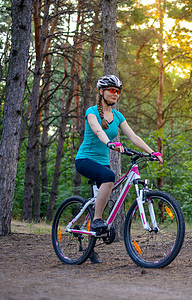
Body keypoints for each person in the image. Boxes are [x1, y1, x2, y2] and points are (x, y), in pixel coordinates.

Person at [75, 74, 163, 249]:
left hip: (102, 162)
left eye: (118, 91)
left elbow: (133, 136)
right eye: (112, 90)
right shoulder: (91, 112)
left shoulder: (117, 115)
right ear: (101, 91)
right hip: (85, 159)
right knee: (109, 176)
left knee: (108, 187)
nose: (115, 94)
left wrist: (152, 152)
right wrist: (109, 143)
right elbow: (98, 131)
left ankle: (91, 244)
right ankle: (97, 220)